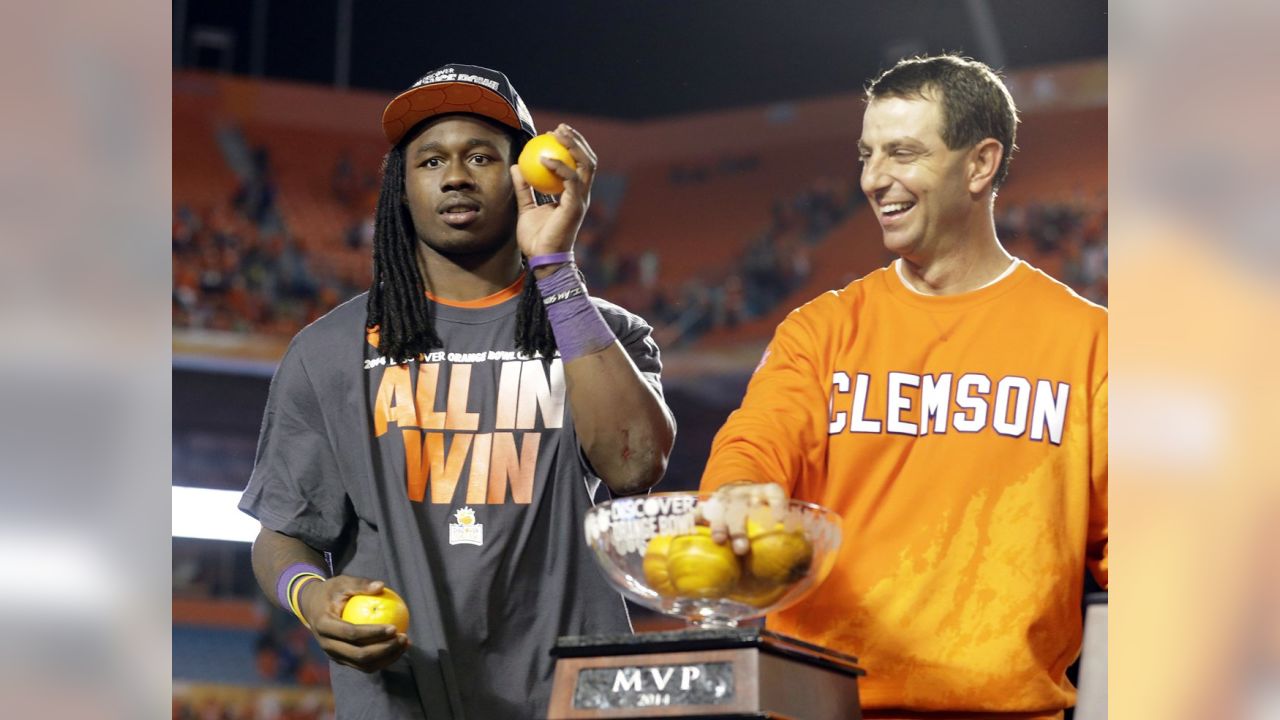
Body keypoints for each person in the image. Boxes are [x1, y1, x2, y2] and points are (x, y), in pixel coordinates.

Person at [239, 63, 676, 719]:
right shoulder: (328, 350)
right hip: (401, 698)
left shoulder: (600, 334)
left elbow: (635, 464)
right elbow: (284, 533)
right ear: (401, 185)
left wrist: (555, 268)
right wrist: (307, 594)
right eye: (430, 160)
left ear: (527, 176)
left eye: (482, 156)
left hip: (576, 702)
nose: (456, 176)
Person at [699, 54, 1107, 718]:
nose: (872, 179)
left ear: (979, 165)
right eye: (866, 154)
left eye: (902, 153)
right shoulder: (822, 329)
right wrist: (740, 489)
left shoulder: (1089, 344)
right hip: (817, 709)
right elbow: (756, 442)